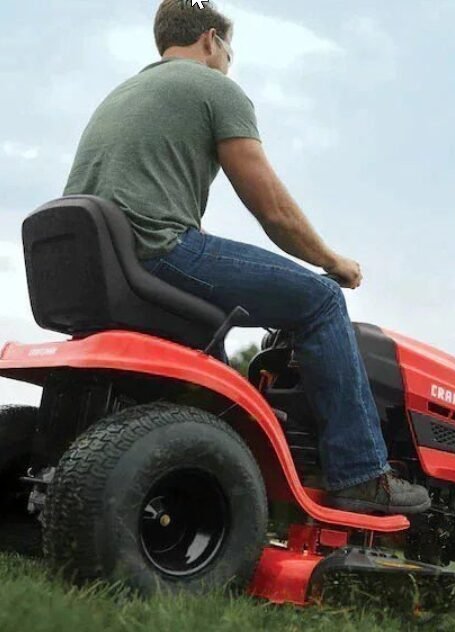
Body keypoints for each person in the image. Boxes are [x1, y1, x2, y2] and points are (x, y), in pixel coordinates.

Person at [63, 0, 431, 516]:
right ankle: (362, 473)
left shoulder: (124, 92)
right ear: (211, 40)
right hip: (158, 247)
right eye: (229, 53)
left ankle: (232, 454)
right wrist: (333, 261)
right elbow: (272, 208)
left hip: (95, 263)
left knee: (215, 342)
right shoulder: (214, 87)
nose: (228, 63)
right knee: (321, 300)